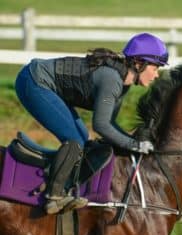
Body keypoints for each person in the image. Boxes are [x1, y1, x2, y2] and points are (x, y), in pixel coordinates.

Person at [15, 32, 169, 214]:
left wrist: (132, 143)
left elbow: (109, 123)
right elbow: (101, 126)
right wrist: (134, 145)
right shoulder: (112, 80)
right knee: (74, 138)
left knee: (82, 136)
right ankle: (53, 196)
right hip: (34, 82)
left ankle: (61, 180)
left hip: (46, 85)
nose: (156, 75)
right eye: (155, 67)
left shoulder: (122, 83)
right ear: (138, 63)